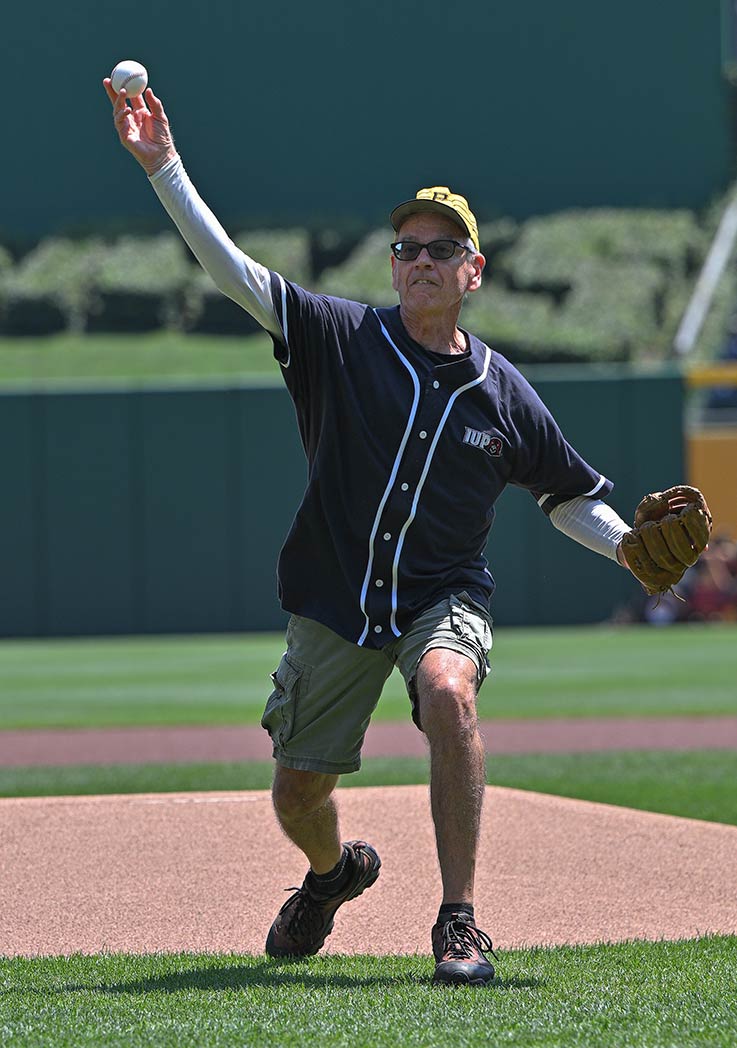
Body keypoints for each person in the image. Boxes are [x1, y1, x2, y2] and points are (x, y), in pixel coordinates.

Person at [104, 78, 642, 987]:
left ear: (473, 271)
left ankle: (459, 921)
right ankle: (331, 876)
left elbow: (566, 494)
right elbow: (232, 271)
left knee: (450, 693)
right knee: (298, 792)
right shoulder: (340, 337)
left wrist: (627, 543)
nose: (421, 258)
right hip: (333, 598)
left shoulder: (504, 393)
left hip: (441, 594)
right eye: (407, 247)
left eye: (442, 248)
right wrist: (166, 170)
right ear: (393, 267)